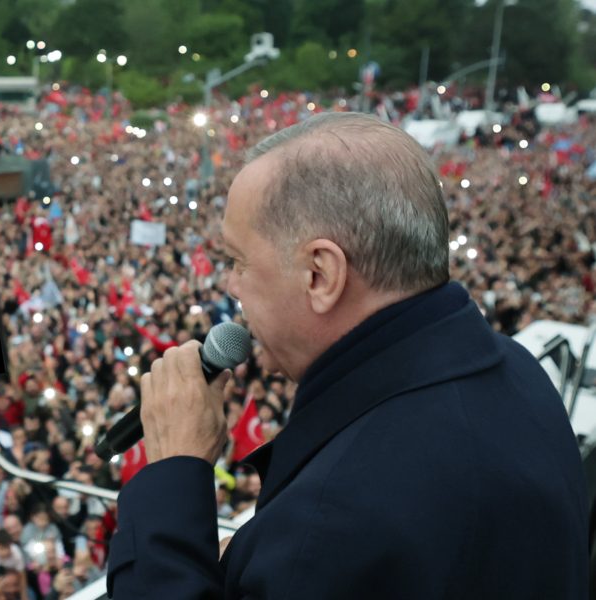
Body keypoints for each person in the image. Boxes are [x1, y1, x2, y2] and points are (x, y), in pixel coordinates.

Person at [107, 112, 588, 599]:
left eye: (239, 261)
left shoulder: (336, 522)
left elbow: (340, 543)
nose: (230, 285)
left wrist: (174, 473)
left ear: (320, 274)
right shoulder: (517, 368)